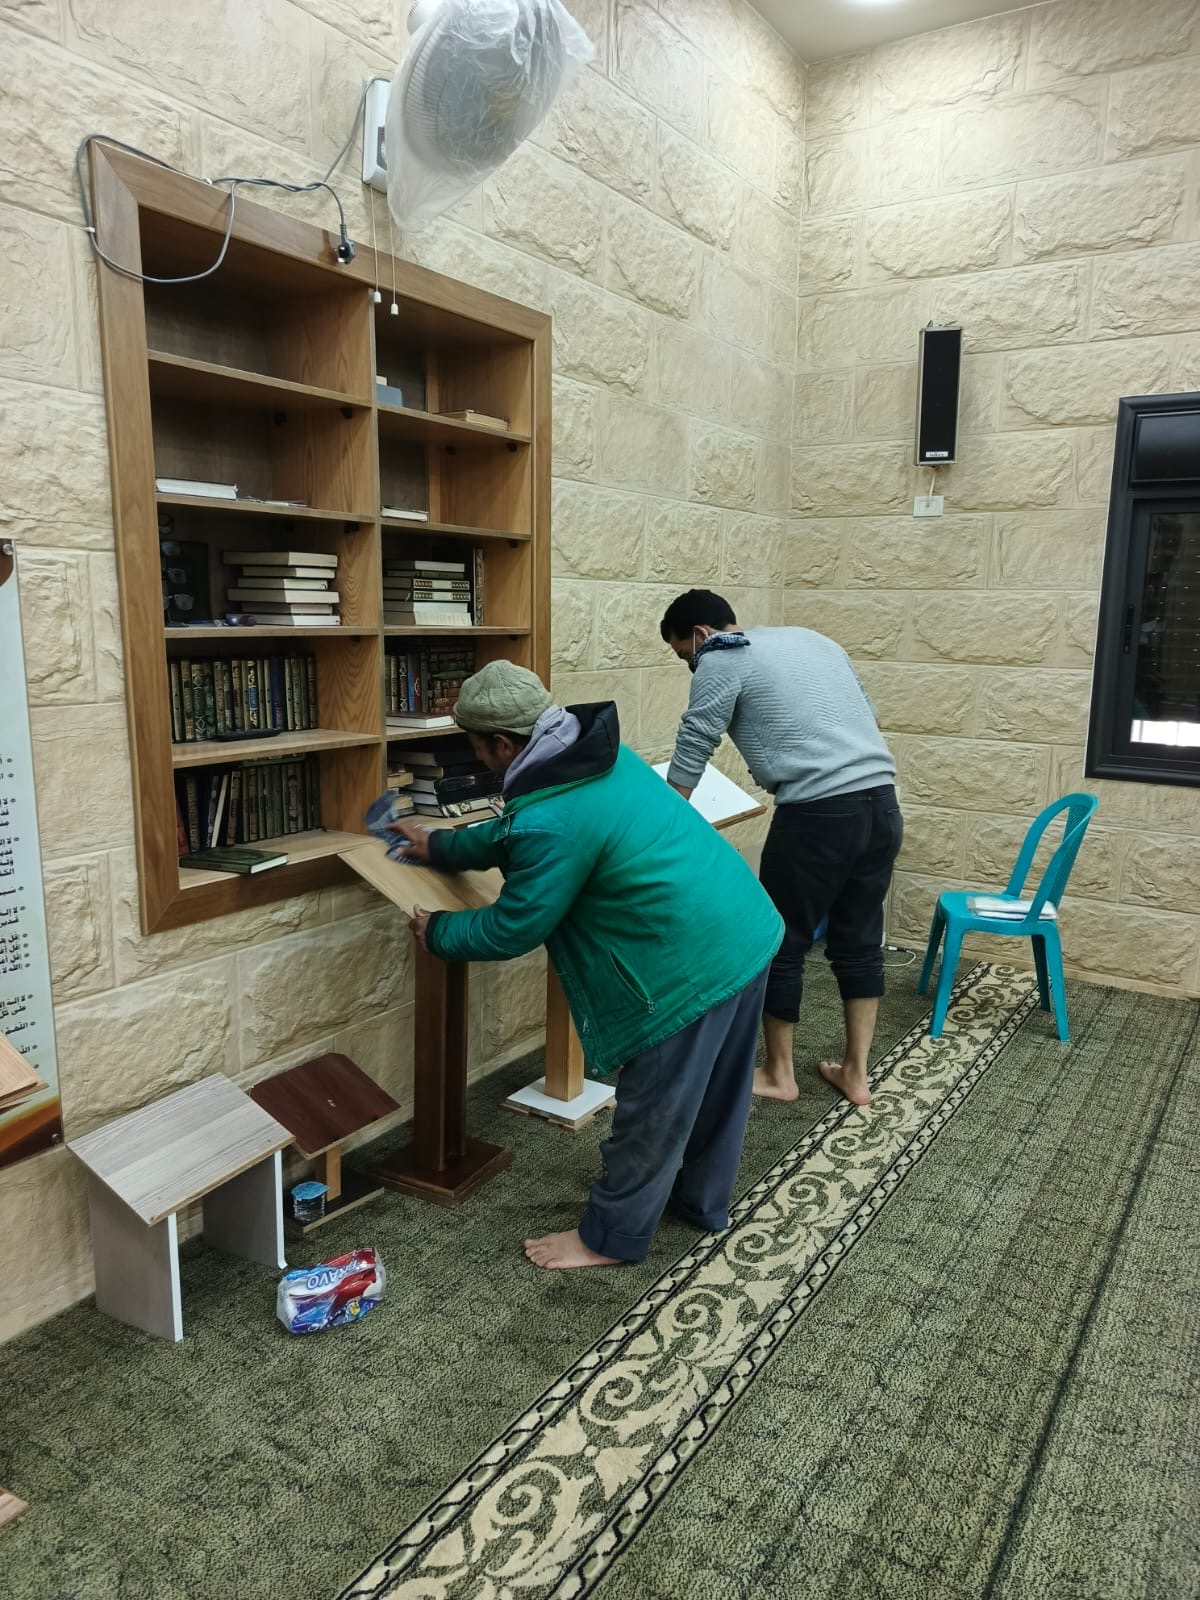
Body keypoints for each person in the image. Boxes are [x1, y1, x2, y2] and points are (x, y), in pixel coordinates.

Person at [387, 659, 783, 1272]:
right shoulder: (590, 755)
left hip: (687, 971)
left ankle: (610, 1238)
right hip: (744, 929)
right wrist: (440, 844)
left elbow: (516, 924)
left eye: (476, 747)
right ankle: (700, 1203)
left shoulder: (552, 815)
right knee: (716, 1092)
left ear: (502, 743)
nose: (477, 759)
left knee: (652, 1110)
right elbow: (518, 831)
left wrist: (439, 930)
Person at [659, 590, 902, 1110]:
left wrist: (662, 822)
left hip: (817, 816)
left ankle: (778, 1073)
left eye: (683, 656)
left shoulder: (720, 655)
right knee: (859, 940)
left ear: (700, 635)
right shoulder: (813, 640)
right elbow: (870, 717)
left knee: (782, 941)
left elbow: (695, 739)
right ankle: (856, 1075)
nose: (690, 665)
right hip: (882, 804)